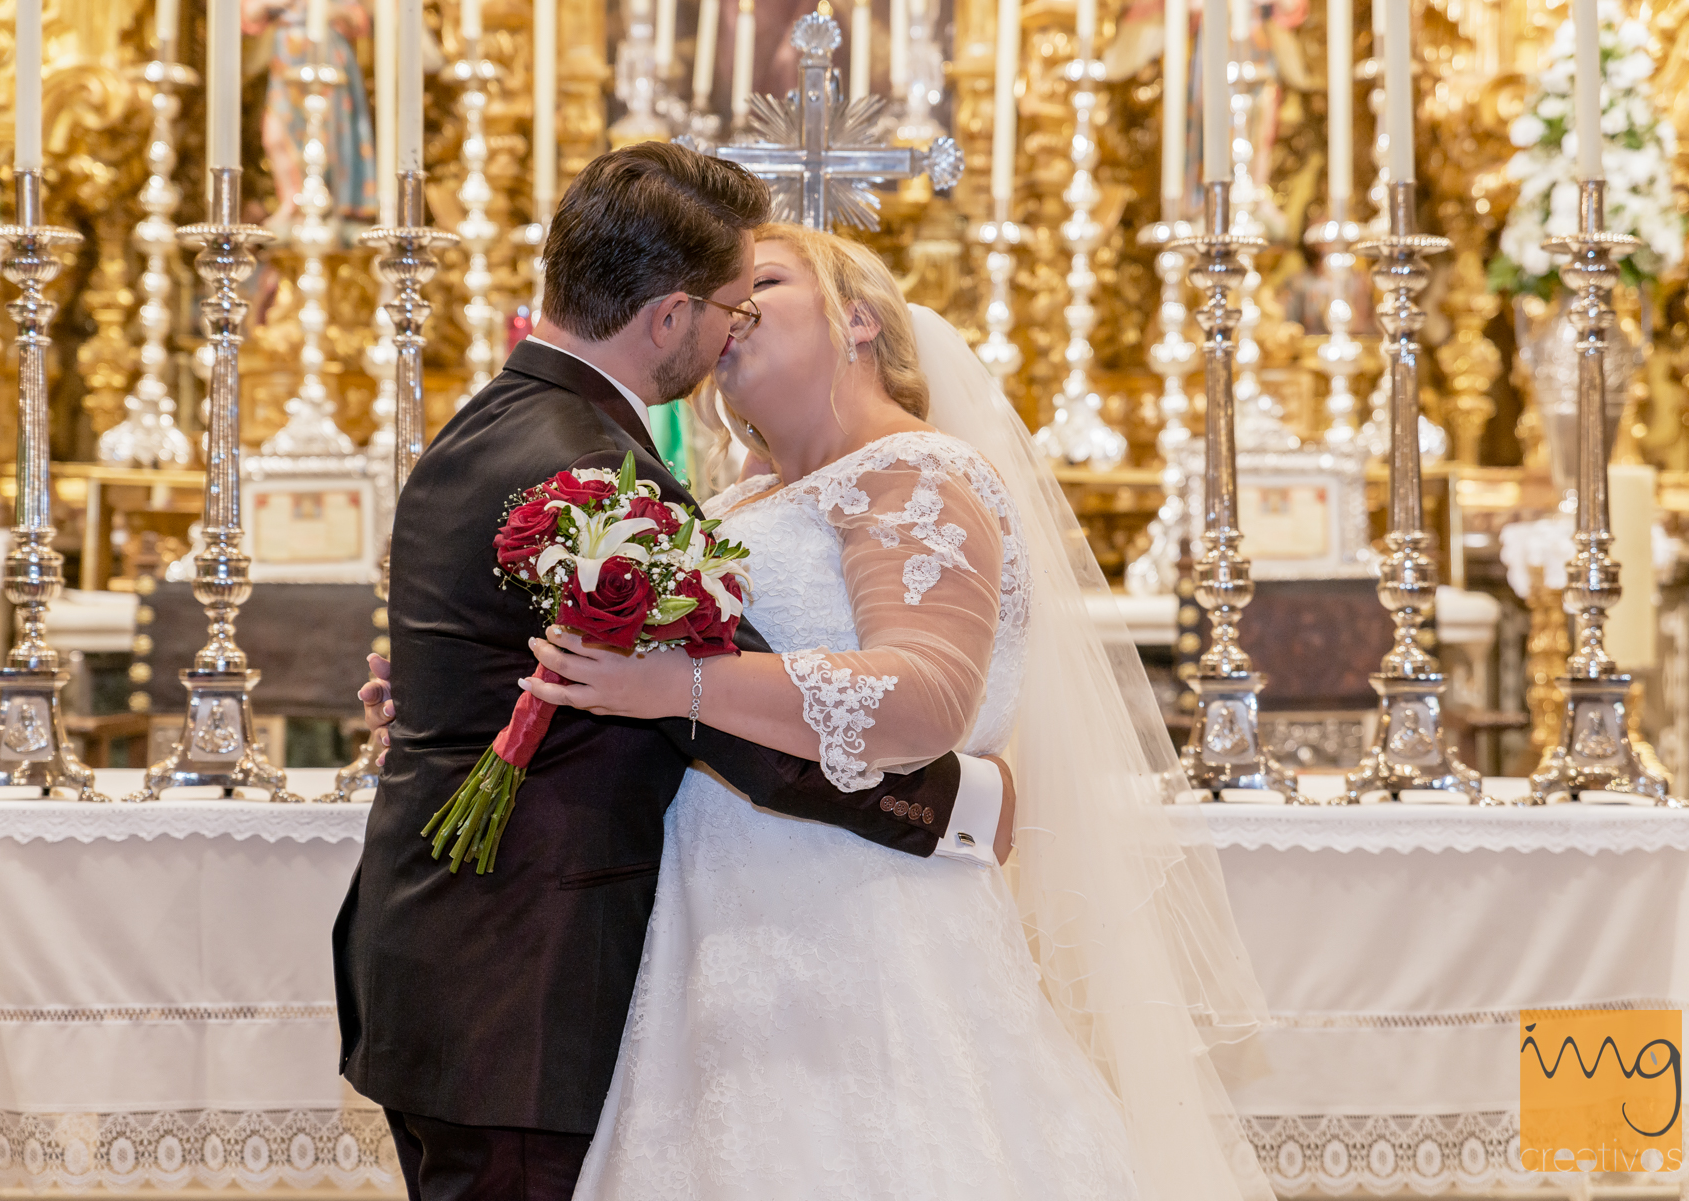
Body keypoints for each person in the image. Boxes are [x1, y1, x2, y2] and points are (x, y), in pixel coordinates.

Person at [362, 220, 1277, 1201]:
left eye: (760, 279)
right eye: (722, 292)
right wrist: (492, 697)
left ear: (859, 321)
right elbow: (661, 699)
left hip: (860, 934)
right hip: (712, 939)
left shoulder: (917, 473)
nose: (732, 305)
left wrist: (678, 685)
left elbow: (922, 699)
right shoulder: (737, 505)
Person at [331, 143, 1016, 1201]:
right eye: (729, 305)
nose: (734, 326)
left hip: (588, 959)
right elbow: (721, 716)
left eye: (758, 298)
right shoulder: (588, 464)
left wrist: (448, 692)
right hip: (528, 976)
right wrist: (966, 801)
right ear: (666, 318)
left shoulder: (501, 422)